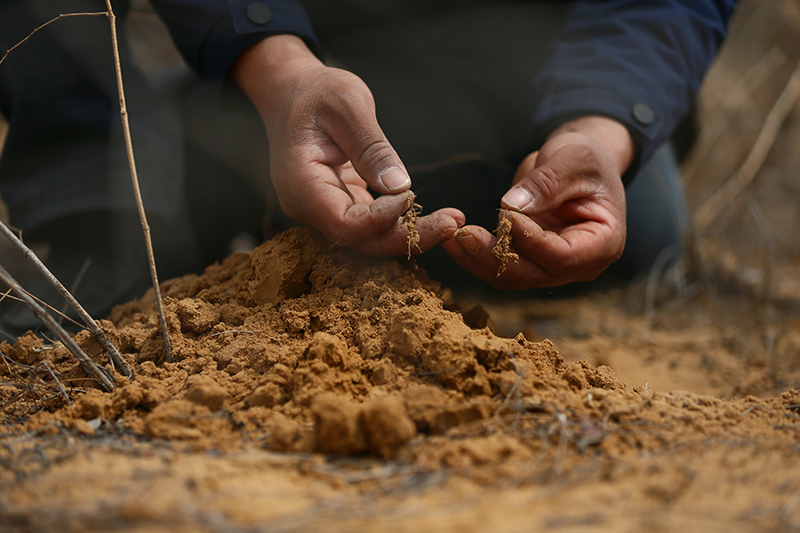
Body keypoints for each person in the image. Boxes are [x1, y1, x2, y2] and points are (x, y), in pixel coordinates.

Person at [0, 0, 737, 334]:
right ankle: (93, 195)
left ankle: (207, 147)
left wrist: (602, 129)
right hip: (311, 30)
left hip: (527, 55)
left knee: (637, 237)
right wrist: (278, 65)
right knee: (156, 184)